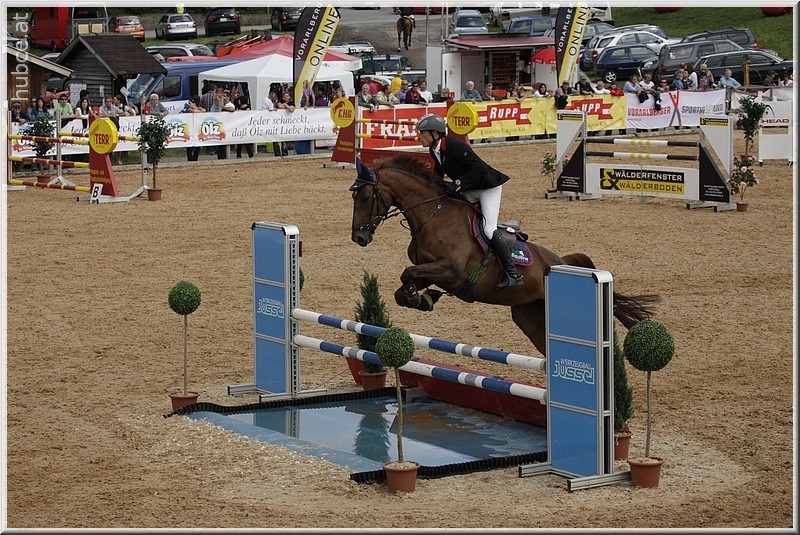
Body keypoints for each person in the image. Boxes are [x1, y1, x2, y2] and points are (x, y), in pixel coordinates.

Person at [414, 113, 523, 289]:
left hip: (487, 188)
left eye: (422, 133)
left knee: (488, 229)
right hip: (469, 190)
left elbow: (480, 170)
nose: (419, 137)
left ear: (435, 133)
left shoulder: (455, 146)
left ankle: (512, 273)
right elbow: (438, 174)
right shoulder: (434, 150)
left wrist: (457, 183)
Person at [182, 96, 205, 161]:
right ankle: (190, 158)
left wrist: (199, 109)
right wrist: (199, 110)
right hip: (190, 129)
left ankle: (195, 158)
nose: (189, 105)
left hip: (197, 129)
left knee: (198, 144)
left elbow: (204, 110)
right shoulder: (189, 110)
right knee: (189, 144)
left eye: (190, 103)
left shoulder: (199, 108)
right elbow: (194, 111)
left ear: (194, 103)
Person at [273, 90, 295, 157]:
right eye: (284, 96)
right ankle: (277, 154)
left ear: (289, 97)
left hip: (287, 123)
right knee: (275, 139)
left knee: (284, 139)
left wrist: (285, 105)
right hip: (278, 122)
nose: (285, 97)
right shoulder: (279, 101)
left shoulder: (292, 103)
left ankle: (284, 153)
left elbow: (291, 110)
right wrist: (286, 106)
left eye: (287, 96)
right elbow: (279, 106)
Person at [234, 94, 254, 159]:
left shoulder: (247, 108)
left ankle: (250, 154)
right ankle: (238, 155)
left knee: (247, 141)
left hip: (246, 126)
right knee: (239, 142)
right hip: (240, 126)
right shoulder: (238, 107)